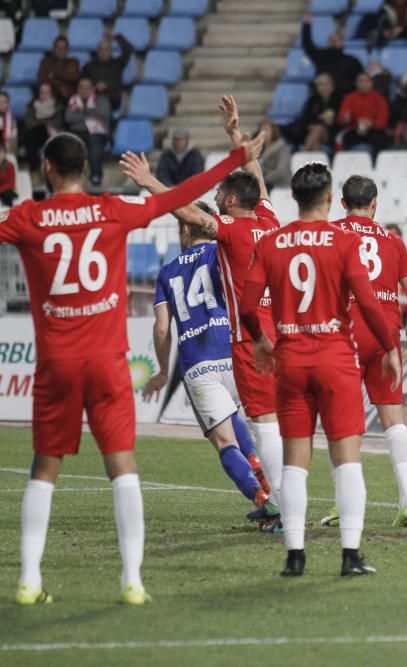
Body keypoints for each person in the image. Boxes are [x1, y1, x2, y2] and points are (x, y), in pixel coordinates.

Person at [3, 131, 265, 606]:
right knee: (122, 468)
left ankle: (29, 579)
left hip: (56, 364)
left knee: (44, 468)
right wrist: (235, 157)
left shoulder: (29, 217)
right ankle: (132, 581)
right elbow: (183, 198)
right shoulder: (111, 210)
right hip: (107, 362)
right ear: (88, 168)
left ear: (45, 170)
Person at [120, 97, 285, 531]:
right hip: (268, 337)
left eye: (219, 194)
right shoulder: (269, 219)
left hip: (225, 351)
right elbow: (258, 182)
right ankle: (281, 502)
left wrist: (150, 181)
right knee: (267, 424)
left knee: (232, 438)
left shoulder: (222, 236)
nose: (215, 197)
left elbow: (188, 211)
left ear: (230, 201)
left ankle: (277, 503)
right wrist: (235, 135)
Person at [239, 163, 402, 578]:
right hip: (334, 359)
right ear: (330, 198)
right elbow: (367, 302)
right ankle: (350, 555)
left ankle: (295, 555)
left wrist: (260, 339)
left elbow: (246, 304)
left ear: (294, 198)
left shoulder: (273, 242)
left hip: (290, 360)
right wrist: (388, 347)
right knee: (347, 460)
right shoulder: (343, 241)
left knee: (296, 461)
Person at [143, 205, 277, 522]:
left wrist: (163, 371)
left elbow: (162, 329)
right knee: (256, 426)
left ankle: (262, 497)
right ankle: (271, 487)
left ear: (186, 229)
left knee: (224, 442)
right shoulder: (222, 254)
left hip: (197, 363)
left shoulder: (167, 272)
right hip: (233, 348)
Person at [320, 175, 407, 528]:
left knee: (340, 421)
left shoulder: (331, 233)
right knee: (393, 420)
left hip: (343, 334)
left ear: (342, 203)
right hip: (385, 336)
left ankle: (342, 504)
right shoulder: (393, 241)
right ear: (375, 203)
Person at [64, 77, 111, 187]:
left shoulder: (102, 100)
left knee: (95, 143)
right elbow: (69, 118)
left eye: (87, 87)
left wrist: (82, 111)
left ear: (93, 88)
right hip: (77, 131)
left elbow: (104, 114)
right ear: (77, 89)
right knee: (69, 145)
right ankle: (71, 178)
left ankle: (96, 175)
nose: (84, 90)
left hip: (98, 132)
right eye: (81, 87)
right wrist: (90, 114)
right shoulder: (73, 101)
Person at [301, 15, 363, 95]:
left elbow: (360, 80)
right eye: (331, 40)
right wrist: (307, 25)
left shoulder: (352, 61)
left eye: (337, 40)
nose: (333, 42)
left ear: (342, 42)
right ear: (327, 42)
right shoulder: (320, 56)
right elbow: (307, 44)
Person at [336, 72, 389, 155]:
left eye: (367, 81)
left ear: (371, 83)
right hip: (354, 130)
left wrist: (371, 124)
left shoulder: (379, 98)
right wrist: (346, 119)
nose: (364, 84)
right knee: (346, 139)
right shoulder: (349, 98)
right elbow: (341, 119)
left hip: (374, 130)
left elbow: (383, 120)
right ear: (356, 84)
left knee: (381, 140)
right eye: (361, 81)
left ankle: (376, 164)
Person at [81, 30, 134, 111]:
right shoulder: (89, 66)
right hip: (93, 100)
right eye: (101, 49)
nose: (104, 52)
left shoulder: (117, 64)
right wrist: (95, 87)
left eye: (107, 49)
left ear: (111, 51)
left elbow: (129, 49)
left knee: (103, 104)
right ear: (97, 51)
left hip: (112, 100)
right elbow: (82, 83)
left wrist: (116, 36)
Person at [295, 73, 342, 153]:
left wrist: (319, 122)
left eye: (326, 84)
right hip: (312, 132)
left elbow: (335, 121)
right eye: (320, 85)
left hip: (332, 133)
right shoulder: (312, 100)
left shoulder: (339, 100)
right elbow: (305, 118)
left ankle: (303, 154)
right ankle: (314, 164)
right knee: (316, 144)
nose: (324, 87)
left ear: (332, 85)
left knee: (318, 129)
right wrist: (312, 125)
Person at [22, 82, 64, 172]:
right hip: (35, 134)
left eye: (47, 92)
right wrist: (45, 122)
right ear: (38, 93)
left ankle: (37, 170)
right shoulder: (32, 106)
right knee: (31, 137)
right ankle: (34, 170)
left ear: (52, 93)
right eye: (42, 92)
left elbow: (58, 123)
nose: (44, 95)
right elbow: (29, 123)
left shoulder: (58, 106)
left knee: (33, 135)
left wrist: (41, 122)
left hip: (52, 133)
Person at [37, 36, 80, 101]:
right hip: (51, 96)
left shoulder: (73, 62)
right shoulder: (46, 62)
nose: (61, 50)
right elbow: (41, 78)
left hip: (69, 97)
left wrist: (54, 75)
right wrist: (60, 86)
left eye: (63, 48)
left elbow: (74, 77)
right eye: (58, 47)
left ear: (67, 49)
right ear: (54, 49)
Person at [257, 119, 291, 190]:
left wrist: (262, 179)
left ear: (273, 131)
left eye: (266, 130)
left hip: (280, 186)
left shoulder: (282, 148)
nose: (263, 133)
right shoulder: (260, 148)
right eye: (261, 130)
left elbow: (281, 171)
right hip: (265, 185)